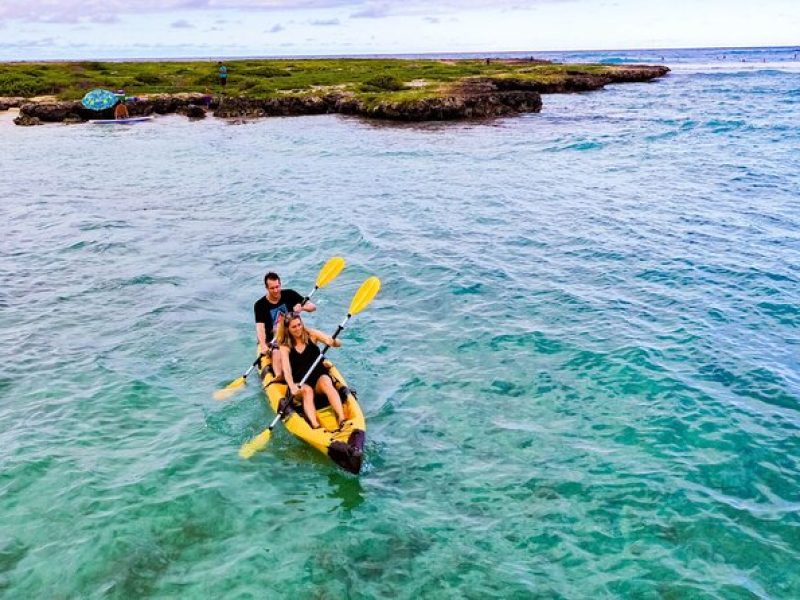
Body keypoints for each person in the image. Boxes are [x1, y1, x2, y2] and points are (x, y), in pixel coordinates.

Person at [278, 312, 345, 430]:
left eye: (299, 325)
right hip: (300, 382)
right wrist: (292, 386)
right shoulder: (285, 346)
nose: (298, 328)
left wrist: (333, 342)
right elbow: (287, 370)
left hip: (318, 377)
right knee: (307, 391)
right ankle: (315, 425)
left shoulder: (312, 335)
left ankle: (341, 419)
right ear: (287, 329)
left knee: (326, 382)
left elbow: (337, 343)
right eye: (294, 327)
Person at [254, 271, 315, 379]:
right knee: (277, 351)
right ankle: (279, 376)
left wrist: (303, 307)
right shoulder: (259, 305)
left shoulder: (289, 294)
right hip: (274, 339)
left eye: (277, 286)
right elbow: (260, 328)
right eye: (272, 288)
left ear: (280, 284)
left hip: (293, 333)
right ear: (266, 288)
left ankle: (316, 365)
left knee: (311, 340)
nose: (276, 290)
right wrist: (263, 345)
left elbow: (312, 307)